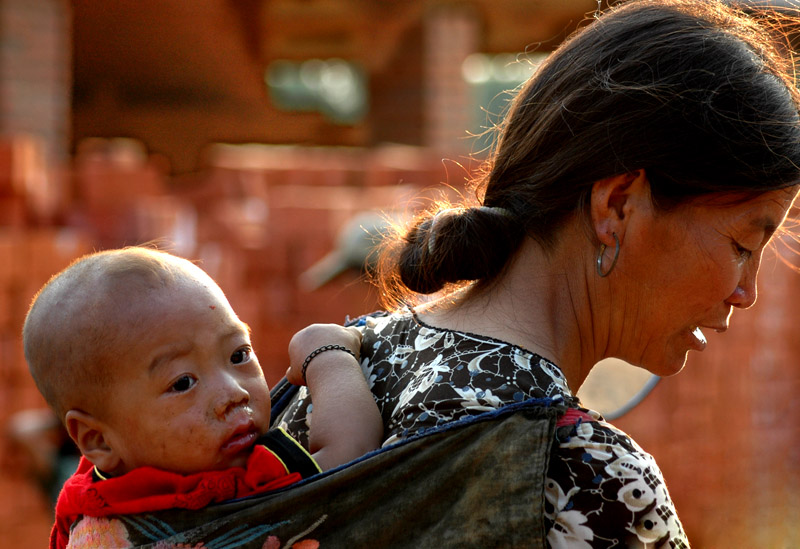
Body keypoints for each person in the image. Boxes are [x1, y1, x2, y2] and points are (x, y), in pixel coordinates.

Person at [273, 0, 800, 547]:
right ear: (617, 205)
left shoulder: (336, 365)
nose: (748, 293)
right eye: (742, 244)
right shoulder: (593, 480)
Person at [22, 246, 382, 549]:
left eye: (239, 355)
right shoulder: (228, 489)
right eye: (182, 383)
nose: (233, 393)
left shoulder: (91, 501)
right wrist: (327, 354)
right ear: (97, 439)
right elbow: (352, 453)